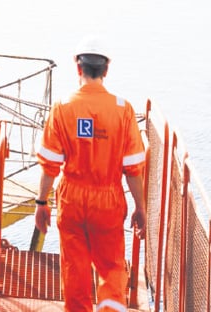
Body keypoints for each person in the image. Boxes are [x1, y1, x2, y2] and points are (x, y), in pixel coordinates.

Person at [34, 36, 146, 312]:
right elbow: (132, 167)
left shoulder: (62, 107)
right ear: (106, 71)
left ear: (78, 69)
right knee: (111, 269)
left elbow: (50, 164)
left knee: (75, 270)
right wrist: (140, 207)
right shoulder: (123, 110)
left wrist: (41, 202)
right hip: (107, 200)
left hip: (71, 198)